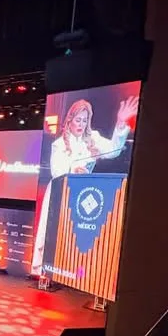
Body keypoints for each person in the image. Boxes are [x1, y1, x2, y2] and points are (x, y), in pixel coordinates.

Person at [32, 94, 139, 273]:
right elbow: (57, 171)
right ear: (70, 120)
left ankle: (73, 271)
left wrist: (120, 123)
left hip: (84, 194)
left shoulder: (93, 138)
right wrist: (74, 170)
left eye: (84, 120)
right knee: (54, 235)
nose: (81, 124)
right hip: (61, 193)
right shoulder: (60, 144)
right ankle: (47, 270)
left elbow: (114, 150)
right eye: (78, 120)